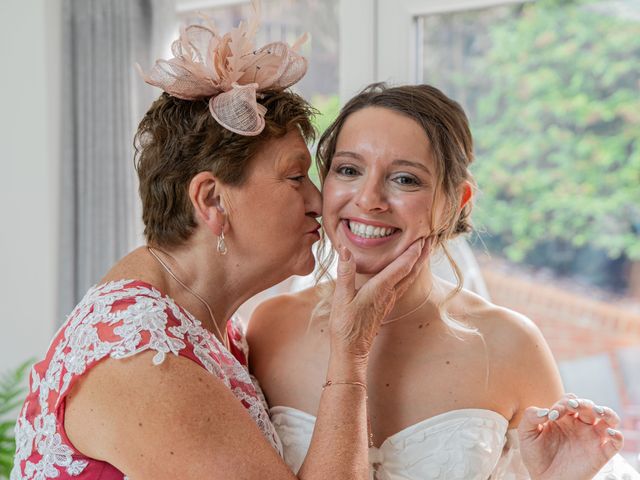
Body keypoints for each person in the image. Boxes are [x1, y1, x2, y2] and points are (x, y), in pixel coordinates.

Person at [10, 8, 430, 480]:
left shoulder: (205, 324)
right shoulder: (144, 363)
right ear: (211, 200)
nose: (318, 201)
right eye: (295, 177)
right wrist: (351, 355)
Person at [247, 83, 638, 479]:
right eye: (348, 170)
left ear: (456, 203)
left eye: (405, 179)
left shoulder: (511, 345)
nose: (368, 199)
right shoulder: (269, 328)